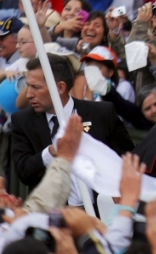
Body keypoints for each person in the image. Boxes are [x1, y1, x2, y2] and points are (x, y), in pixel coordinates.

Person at [10, 54, 134, 189]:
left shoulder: (102, 113)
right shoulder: (23, 121)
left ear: (60, 88)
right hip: (55, 208)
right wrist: (51, 152)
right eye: (28, 86)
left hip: (99, 206)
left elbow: (127, 160)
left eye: (36, 87)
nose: (29, 94)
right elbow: (24, 172)